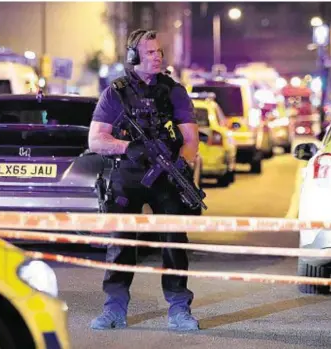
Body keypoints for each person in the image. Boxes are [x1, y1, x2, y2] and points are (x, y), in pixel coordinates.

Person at [88, 28, 201, 332]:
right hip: (128, 174)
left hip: (166, 177)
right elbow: (96, 139)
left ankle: (179, 310)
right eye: (150, 52)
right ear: (134, 56)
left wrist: (179, 163)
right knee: (120, 244)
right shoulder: (116, 92)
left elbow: (191, 139)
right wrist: (129, 148)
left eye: (159, 52)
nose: (157, 57)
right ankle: (114, 310)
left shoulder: (173, 90)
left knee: (174, 242)